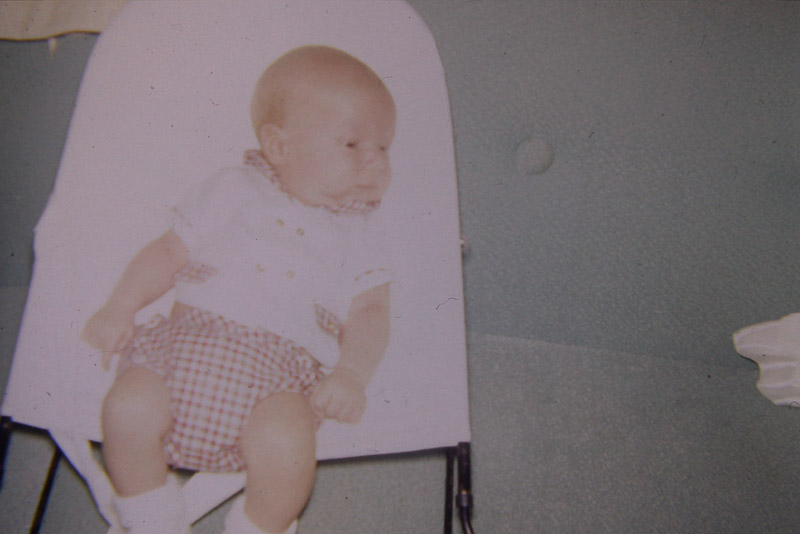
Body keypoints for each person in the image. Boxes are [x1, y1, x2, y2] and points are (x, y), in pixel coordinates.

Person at [81, 45, 396, 534]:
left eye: (383, 148)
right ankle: (149, 518)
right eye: (353, 145)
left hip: (281, 376)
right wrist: (120, 305)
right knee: (127, 407)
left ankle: (257, 526)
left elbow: (372, 309)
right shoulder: (233, 188)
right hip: (184, 347)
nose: (374, 162)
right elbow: (169, 251)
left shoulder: (359, 233)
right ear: (280, 147)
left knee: (289, 448)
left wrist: (351, 373)